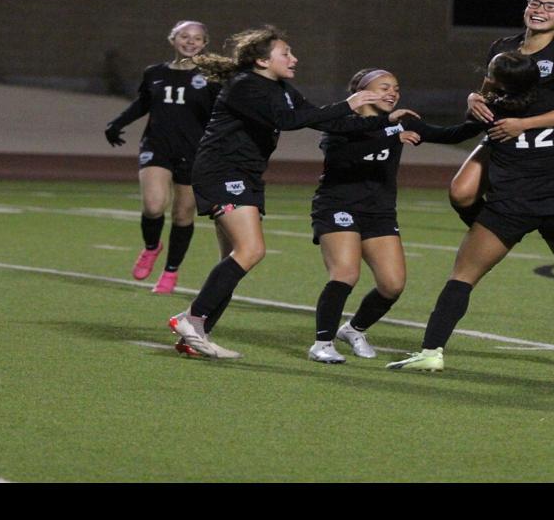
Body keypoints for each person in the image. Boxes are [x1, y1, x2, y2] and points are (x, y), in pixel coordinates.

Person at [165, 26, 413, 359]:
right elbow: (289, 120)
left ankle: (195, 335)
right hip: (223, 172)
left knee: (234, 259)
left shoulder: (280, 87)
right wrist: (350, 103)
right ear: (262, 59)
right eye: (286, 53)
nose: (293, 58)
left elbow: (321, 119)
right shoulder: (245, 86)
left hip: (246, 175)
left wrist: (382, 124)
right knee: (251, 250)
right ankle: (191, 321)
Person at [388, 51, 554, 376]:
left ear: (496, 82)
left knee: (462, 278)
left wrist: (408, 123)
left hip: (509, 208)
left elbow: (447, 134)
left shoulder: (492, 111)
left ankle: (431, 351)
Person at [306, 68, 486, 364]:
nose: (393, 93)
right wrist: (392, 133)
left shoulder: (401, 121)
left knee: (392, 285)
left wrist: (476, 118)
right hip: (338, 206)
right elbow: (343, 157)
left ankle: (353, 330)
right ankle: (322, 343)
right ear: (362, 92)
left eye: (396, 88)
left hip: (379, 212)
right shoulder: (341, 121)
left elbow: (449, 135)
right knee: (346, 274)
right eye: (384, 87)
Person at [447, 0, 554, 319]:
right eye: (535, 3)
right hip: (506, 136)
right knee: (461, 193)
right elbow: (489, 88)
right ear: (525, 9)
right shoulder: (503, 47)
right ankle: (500, 232)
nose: (540, 10)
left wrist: (525, 124)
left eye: (551, 6)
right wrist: (474, 99)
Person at [104, 20, 219, 295]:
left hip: (194, 151)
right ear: (172, 39)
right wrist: (117, 123)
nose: (190, 42)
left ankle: (171, 271)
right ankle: (152, 247)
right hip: (157, 146)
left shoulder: (212, 78)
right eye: (184, 36)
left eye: (197, 38)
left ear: (204, 44)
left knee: (182, 214)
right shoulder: (154, 73)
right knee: (154, 206)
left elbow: (220, 114)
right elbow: (144, 103)